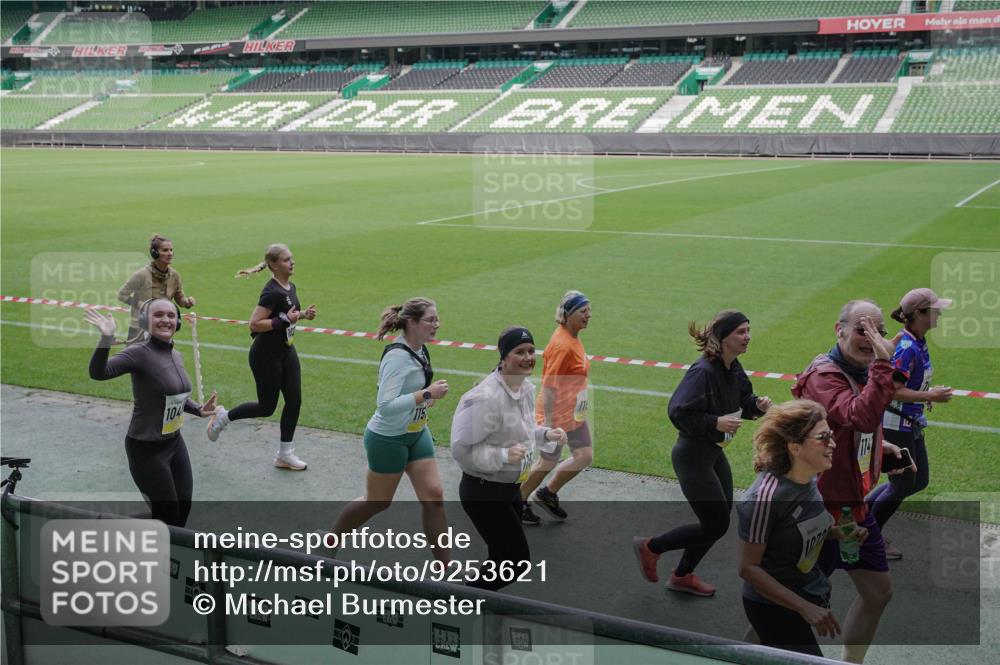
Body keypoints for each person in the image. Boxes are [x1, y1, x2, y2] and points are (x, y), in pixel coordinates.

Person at [791, 299, 910, 664]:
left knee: (877, 592)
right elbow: (858, 416)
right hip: (821, 509)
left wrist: (881, 450)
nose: (870, 339)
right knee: (792, 603)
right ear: (838, 330)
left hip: (851, 505)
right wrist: (882, 362)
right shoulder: (824, 376)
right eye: (862, 329)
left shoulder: (858, 373)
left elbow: (858, 429)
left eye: (878, 332)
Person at [633, 310, 771, 597]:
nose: (747, 337)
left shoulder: (732, 367)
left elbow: (743, 400)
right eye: (741, 332)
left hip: (713, 452)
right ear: (722, 337)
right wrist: (714, 422)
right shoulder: (703, 372)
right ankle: (651, 547)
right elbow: (677, 411)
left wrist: (757, 405)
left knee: (718, 519)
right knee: (716, 523)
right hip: (692, 455)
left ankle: (682, 576)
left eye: (748, 330)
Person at [738, 399, 867, 656]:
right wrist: (803, 608)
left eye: (830, 435)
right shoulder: (764, 499)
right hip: (774, 607)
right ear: (795, 448)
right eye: (823, 437)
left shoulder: (809, 477)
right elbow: (748, 568)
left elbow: (794, 530)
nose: (832, 444)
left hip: (805, 593)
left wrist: (835, 533)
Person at [326, 297, 452, 562]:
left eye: (436, 319)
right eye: (431, 320)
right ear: (411, 322)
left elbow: (411, 395)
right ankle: (329, 541)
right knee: (377, 502)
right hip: (387, 439)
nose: (436, 324)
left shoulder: (419, 349)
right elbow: (385, 406)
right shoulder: (397, 357)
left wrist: (427, 399)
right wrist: (426, 393)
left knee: (434, 497)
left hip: (417, 434)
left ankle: (446, 568)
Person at [451, 326, 567, 590]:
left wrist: (546, 434)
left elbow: (520, 432)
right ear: (504, 357)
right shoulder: (485, 398)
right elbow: (460, 449)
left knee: (500, 560)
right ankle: (460, 603)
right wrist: (502, 455)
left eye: (530, 351)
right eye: (519, 352)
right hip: (483, 493)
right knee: (516, 562)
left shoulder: (523, 387)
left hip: (510, 488)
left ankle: (480, 610)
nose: (528, 357)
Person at [86, 299, 218, 527]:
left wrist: (198, 409)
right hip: (146, 450)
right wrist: (106, 340)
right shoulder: (138, 353)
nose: (165, 320)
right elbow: (99, 373)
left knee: (182, 509)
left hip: (174, 443)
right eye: (158, 315)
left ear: (177, 322)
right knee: (167, 516)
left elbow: (175, 396)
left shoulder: (175, 355)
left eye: (170, 315)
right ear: (145, 321)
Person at [205, 244, 316, 471]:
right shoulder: (271, 291)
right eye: (286, 260)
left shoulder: (290, 287)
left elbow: (287, 316)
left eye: (292, 258)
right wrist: (285, 320)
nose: (292, 262)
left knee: (294, 401)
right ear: (273, 265)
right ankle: (223, 418)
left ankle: (285, 454)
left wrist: (303, 315)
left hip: (286, 351)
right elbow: (255, 323)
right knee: (267, 407)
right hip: (265, 355)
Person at [867, 289, 953, 559]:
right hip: (896, 425)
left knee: (918, 480)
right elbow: (891, 390)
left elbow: (908, 383)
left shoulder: (917, 340)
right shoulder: (906, 347)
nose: (939, 313)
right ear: (919, 314)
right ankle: (869, 536)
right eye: (935, 309)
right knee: (903, 483)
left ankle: (860, 517)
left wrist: (923, 392)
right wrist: (929, 395)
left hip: (910, 421)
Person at [519, 291, 593, 525]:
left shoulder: (572, 336)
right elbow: (549, 387)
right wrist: (548, 424)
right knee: (546, 462)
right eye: (583, 311)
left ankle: (547, 494)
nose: (588, 315)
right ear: (569, 314)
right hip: (557, 416)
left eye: (589, 310)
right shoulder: (563, 345)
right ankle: (517, 503)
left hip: (574, 413)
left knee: (584, 456)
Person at [117, 234, 195, 345]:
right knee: (134, 361)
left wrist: (187, 302)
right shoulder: (142, 275)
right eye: (165, 250)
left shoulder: (174, 275)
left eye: (171, 250)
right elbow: (122, 295)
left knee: (162, 361)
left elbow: (180, 298)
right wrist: (141, 304)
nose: (170, 254)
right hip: (140, 328)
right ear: (155, 253)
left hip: (163, 328)